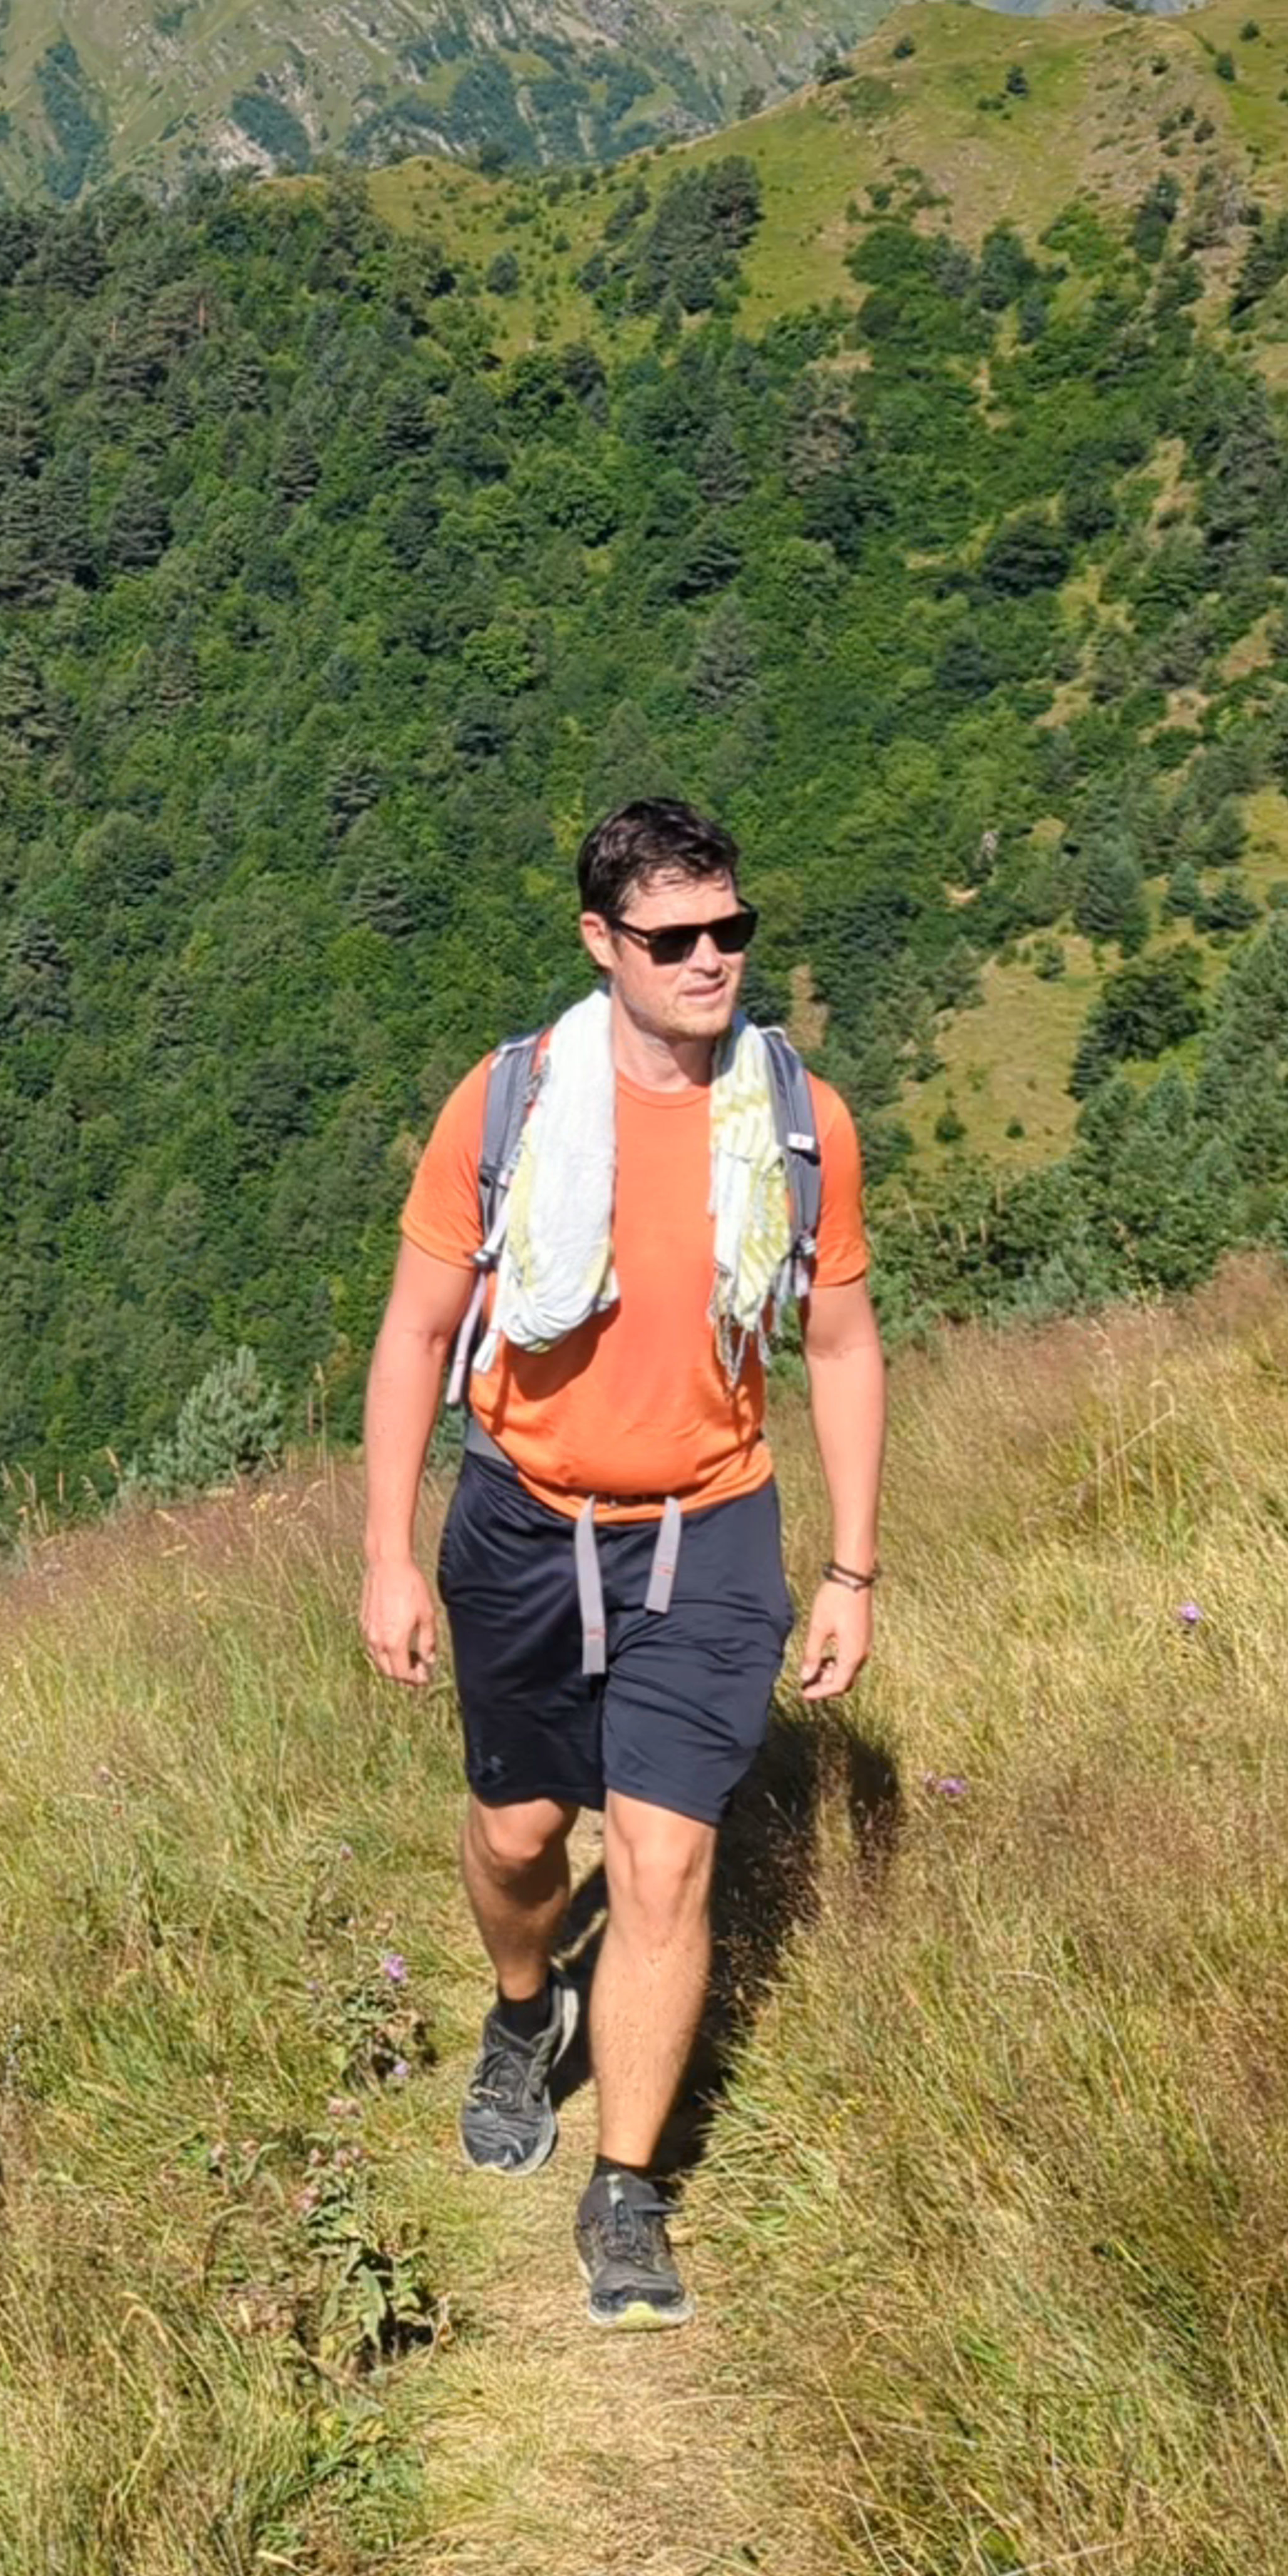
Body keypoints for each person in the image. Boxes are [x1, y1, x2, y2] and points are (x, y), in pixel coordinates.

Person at [359, 794, 884, 2328]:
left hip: (710, 1529)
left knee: (663, 1857)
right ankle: (527, 2006)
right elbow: (415, 1332)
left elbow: (841, 1343)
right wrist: (386, 1551)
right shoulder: (510, 1103)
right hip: (524, 1519)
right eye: (675, 938)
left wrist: (852, 1568)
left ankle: (628, 2188)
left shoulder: (798, 1122)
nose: (713, 958)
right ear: (603, 942)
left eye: (732, 929)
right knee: (521, 1834)